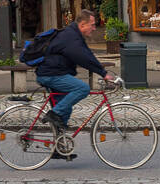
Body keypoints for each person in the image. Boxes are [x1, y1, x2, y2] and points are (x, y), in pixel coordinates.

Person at [37, 9, 116, 142]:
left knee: (65, 110)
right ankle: (53, 114)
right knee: (82, 88)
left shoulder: (75, 35)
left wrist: (103, 71)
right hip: (51, 75)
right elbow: (83, 58)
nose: (94, 28)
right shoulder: (71, 37)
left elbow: (88, 54)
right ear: (83, 25)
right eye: (92, 25)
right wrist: (104, 74)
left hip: (56, 73)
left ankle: (59, 145)